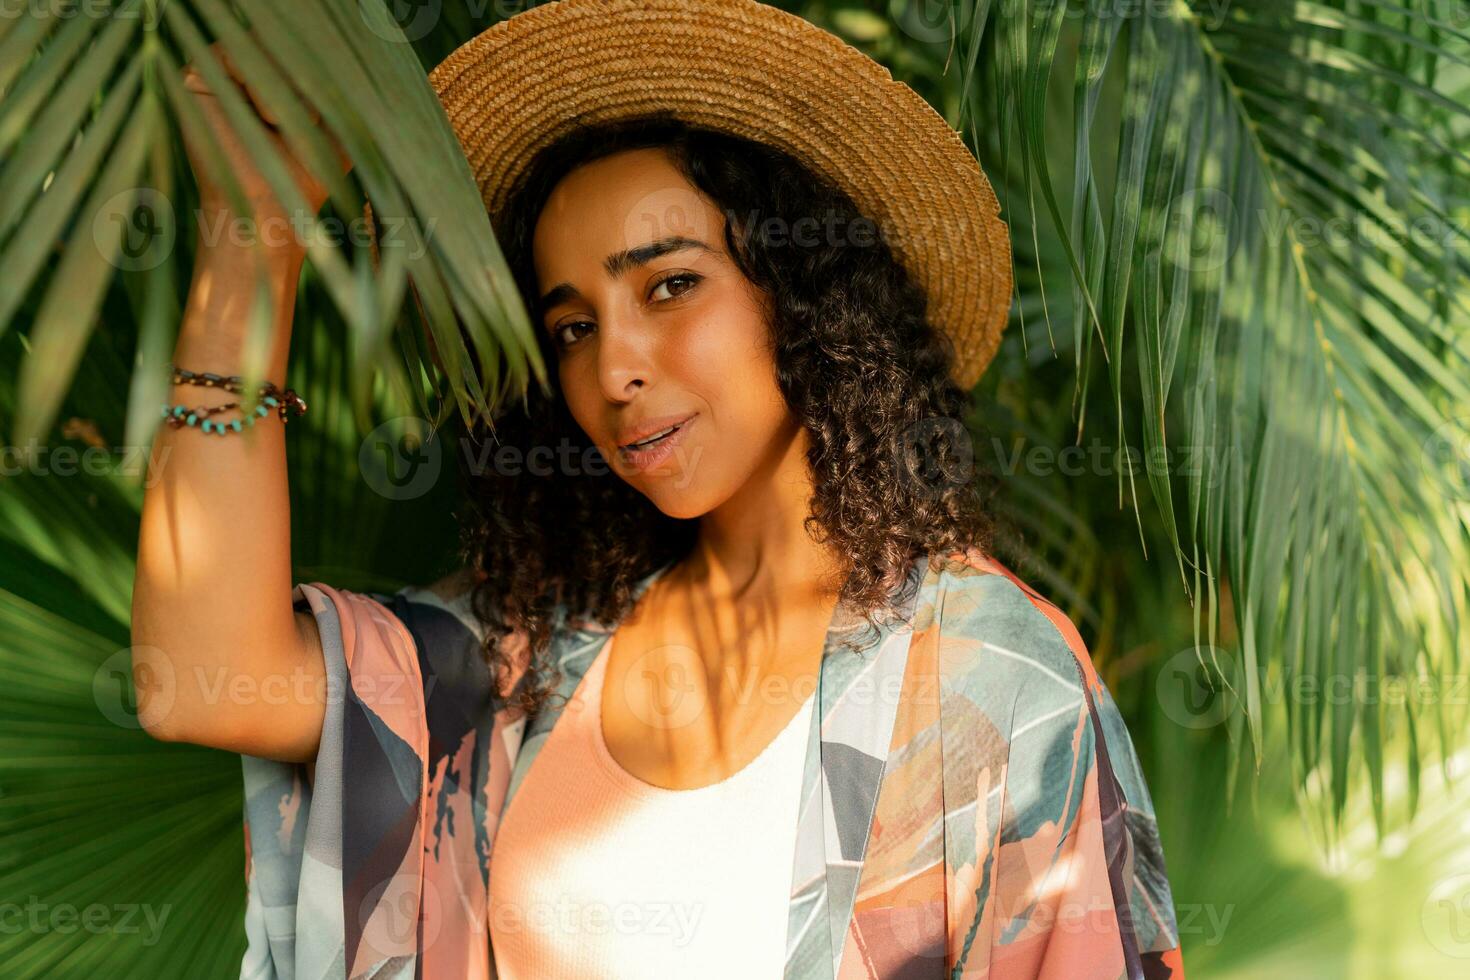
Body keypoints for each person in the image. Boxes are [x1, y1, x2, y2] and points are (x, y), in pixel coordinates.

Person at [130, 1, 1185, 978]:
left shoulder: (990, 680)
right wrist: (248, 238)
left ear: (802, 290)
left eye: (670, 284)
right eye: (572, 327)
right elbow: (200, 679)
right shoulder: (527, 656)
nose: (613, 369)